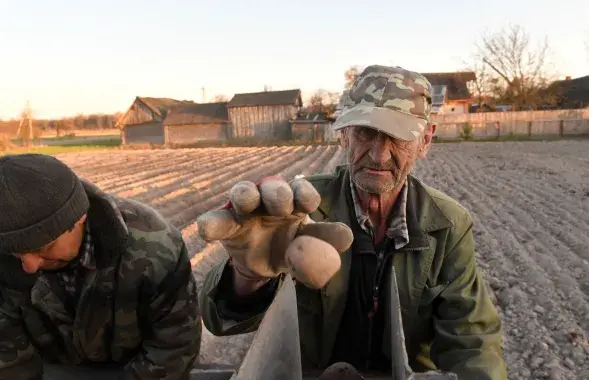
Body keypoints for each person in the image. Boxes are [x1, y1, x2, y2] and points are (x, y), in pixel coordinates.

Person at [198, 64, 507, 379]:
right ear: (344, 135)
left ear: (425, 141)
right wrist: (248, 277)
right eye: (365, 132)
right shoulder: (299, 209)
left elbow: (472, 339)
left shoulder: (447, 225)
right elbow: (217, 318)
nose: (379, 154)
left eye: (397, 137)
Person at [0, 154, 202, 380]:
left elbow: (173, 349)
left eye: (45, 248)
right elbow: (8, 358)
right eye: (17, 253)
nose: (29, 266)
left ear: (78, 218)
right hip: (53, 369)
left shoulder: (154, 248)